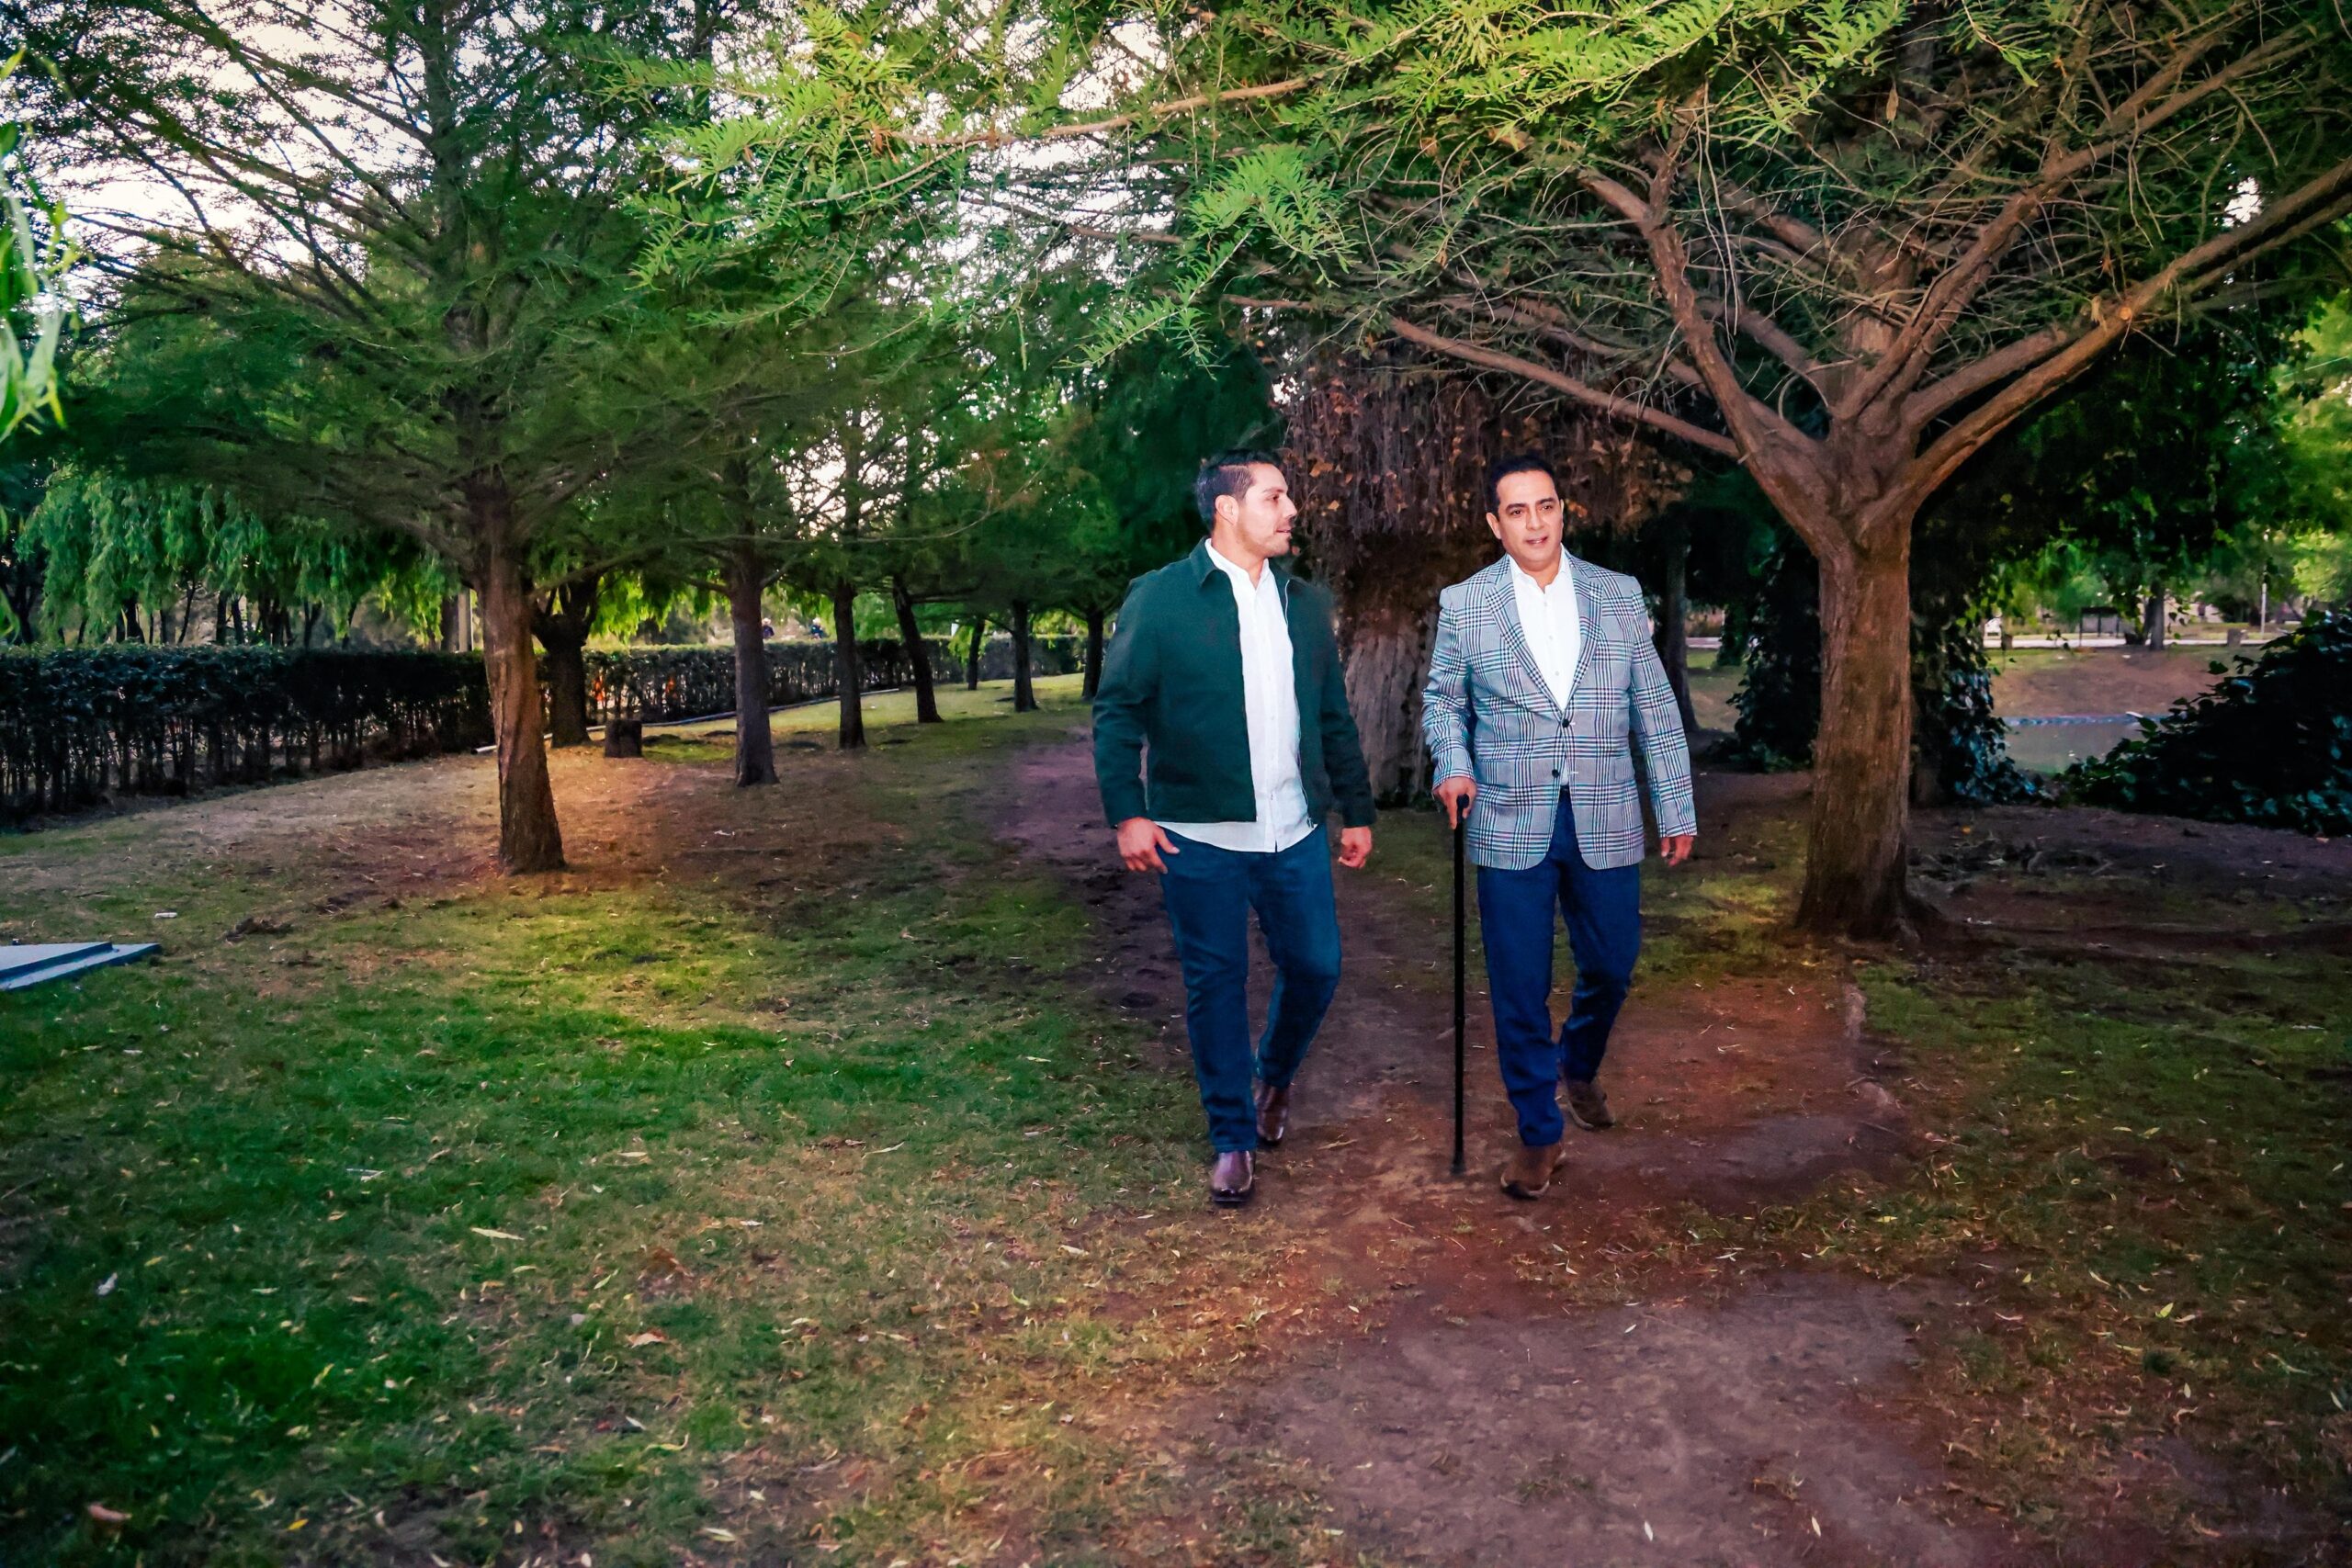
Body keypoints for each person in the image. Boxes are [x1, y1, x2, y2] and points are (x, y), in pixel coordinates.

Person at [1092, 449, 1377, 1208]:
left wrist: (1355, 808)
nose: (1291, 510)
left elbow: (1332, 715)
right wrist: (1127, 811)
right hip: (1198, 836)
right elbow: (1118, 708)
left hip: (1295, 830)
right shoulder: (1161, 598)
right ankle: (1232, 1137)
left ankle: (1273, 1075)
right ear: (1228, 508)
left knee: (1316, 966)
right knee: (1215, 984)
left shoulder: (1304, 604)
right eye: (1274, 497)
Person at [1421, 453, 1696, 1201]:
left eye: (1545, 505)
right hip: (1508, 816)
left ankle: (1578, 1059)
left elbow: (1654, 704)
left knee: (1612, 961)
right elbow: (1443, 700)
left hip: (1606, 810)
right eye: (1517, 511)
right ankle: (1539, 1131)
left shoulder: (1617, 593)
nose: (1535, 522)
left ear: (1563, 510)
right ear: (1495, 523)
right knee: (1519, 984)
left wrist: (1675, 804)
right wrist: (1453, 762)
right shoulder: (1466, 604)